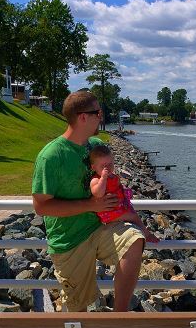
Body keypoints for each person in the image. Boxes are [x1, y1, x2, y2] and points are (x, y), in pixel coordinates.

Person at [31, 91, 157, 312]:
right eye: (97, 112)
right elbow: (41, 206)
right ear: (82, 117)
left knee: (134, 240)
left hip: (102, 228)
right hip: (69, 240)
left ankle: (120, 315)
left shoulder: (96, 146)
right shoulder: (51, 156)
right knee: (78, 307)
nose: (101, 116)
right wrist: (91, 205)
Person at [88, 145, 145, 228]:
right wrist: (103, 178)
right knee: (133, 217)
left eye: (110, 164)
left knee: (133, 213)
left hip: (118, 208)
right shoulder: (96, 180)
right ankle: (147, 233)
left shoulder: (113, 177)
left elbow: (118, 188)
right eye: (103, 166)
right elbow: (98, 194)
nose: (107, 168)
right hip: (108, 213)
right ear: (94, 167)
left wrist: (124, 191)